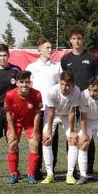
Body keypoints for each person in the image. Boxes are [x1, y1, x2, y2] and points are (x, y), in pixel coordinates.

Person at [61, 26, 98, 177]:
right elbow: (65, 79)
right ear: (70, 40)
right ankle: (73, 168)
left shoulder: (92, 58)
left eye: (79, 38)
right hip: (71, 101)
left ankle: (88, 167)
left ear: (83, 40)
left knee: (87, 134)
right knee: (71, 133)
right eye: (74, 38)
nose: (77, 41)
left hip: (87, 102)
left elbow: (95, 76)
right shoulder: (66, 59)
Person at [27, 37, 62, 177]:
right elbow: (27, 88)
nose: (50, 50)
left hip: (52, 110)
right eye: (47, 47)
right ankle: (36, 169)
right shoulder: (31, 67)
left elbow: (61, 86)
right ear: (39, 50)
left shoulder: (57, 66)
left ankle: (50, 169)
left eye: (51, 47)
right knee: (36, 139)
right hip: (36, 111)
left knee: (51, 140)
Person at [0, 44, 21, 178]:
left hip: (12, 111)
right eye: (0, 56)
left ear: (8, 56)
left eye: (5, 55)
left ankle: (14, 171)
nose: (2, 58)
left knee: (12, 140)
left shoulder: (16, 70)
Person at [4, 71, 42, 184]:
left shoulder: (37, 94)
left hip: (30, 123)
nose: (24, 85)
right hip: (15, 123)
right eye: (21, 82)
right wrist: (12, 131)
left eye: (27, 82)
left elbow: (37, 113)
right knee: (12, 142)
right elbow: (8, 114)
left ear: (30, 82)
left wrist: (35, 131)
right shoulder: (10, 95)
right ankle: (14, 173)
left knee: (34, 143)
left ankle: (31, 174)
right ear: (16, 83)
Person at [42, 71, 80, 184]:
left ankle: (70, 174)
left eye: (67, 85)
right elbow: (51, 112)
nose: (64, 87)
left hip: (67, 115)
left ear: (72, 84)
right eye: (62, 84)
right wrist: (48, 130)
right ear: (59, 82)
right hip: (53, 115)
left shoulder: (76, 91)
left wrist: (72, 130)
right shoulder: (52, 91)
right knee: (46, 139)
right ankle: (49, 174)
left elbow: (72, 111)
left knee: (73, 139)